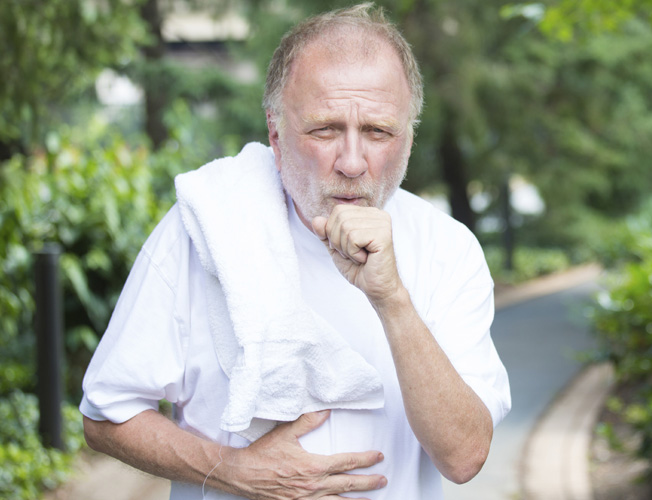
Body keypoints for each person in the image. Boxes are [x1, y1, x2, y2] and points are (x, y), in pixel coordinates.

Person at [80, 3, 511, 499]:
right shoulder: (204, 226)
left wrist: (392, 298)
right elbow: (106, 412)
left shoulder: (447, 249)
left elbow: (463, 457)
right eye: (325, 129)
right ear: (276, 132)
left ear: (408, 139)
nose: (352, 162)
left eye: (378, 132)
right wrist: (230, 469)